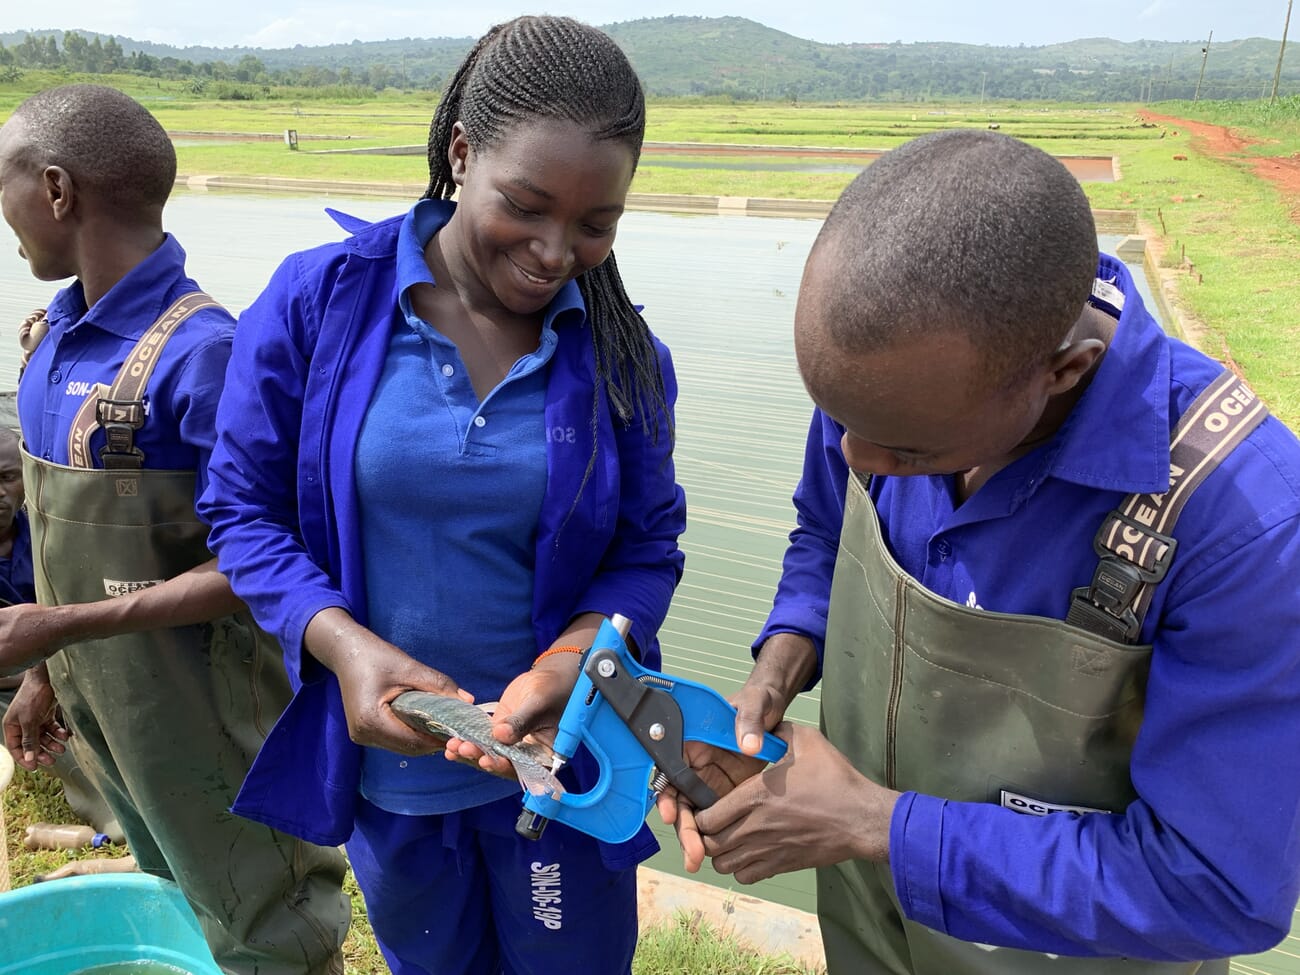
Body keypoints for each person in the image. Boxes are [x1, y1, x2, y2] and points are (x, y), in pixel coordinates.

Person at [666, 130, 1300, 973]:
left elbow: (1216, 887)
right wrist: (777, 672)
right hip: (870, 931)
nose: (856, 457)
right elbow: (827, 530)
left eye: (907, 453)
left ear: (1063, 372)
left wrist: (874, 823)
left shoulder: (1245, 523)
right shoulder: (888, 390)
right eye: (838, 419)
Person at [196, 15, 686, 975]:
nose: (554, 252)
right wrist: (341, 645)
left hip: (564, 765)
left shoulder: (627, 358)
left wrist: (574, 657)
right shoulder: (316, 303)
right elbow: (241, 509)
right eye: (527, 205)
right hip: (398, 776)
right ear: (462, 155)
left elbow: (647, 548)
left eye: (596, 224)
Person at [0, 84, 350, 974]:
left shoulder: (205, 355)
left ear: (54, 190)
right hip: (109, 710)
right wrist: (47, 670)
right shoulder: (53, 343)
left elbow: (272, 563)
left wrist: (64, 626)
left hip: (210, 719)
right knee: (178, 898)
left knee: (267, 923)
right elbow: (53, 535)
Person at [0, 424, 123, 843]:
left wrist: (56, 672)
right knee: (51, 732)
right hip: (17, 682)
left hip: (59, 668)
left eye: (6, 477)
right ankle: (105, 807)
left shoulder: (46, 535)